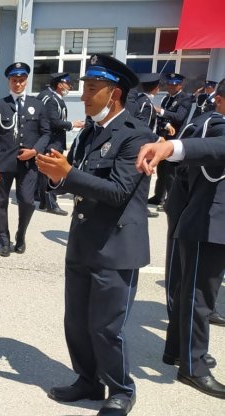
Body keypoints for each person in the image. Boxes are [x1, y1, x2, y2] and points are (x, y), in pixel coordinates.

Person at [37, 54, 155, 416]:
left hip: (116, 246)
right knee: (76, 321)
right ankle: (88, 380)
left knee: (106, 327)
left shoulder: (136, 137)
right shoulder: (90, 132)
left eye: (92, 89)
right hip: (84, 240)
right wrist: (55, 175)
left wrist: (68, 173)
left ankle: (121, 388)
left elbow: (119, 191)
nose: (84, 96)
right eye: (84, 89)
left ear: (114, 93)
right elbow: (72, 179)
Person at [137, 79, 225, 399]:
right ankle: (193, 365)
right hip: (208, 223)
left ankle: (178, 351)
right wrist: (169, 148)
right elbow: (214, 149)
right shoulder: (214, 124)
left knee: (189, 291)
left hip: (199, 218)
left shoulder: (202, 121)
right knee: (199, 298)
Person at [0, 62, 50, 256]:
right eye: (14, 80)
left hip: (28, 164)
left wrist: (35, 151)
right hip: (3, 163)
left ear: (26, 81)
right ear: (9, 82)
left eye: (21, 80)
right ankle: (4, 241)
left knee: (27, 201)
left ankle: (20, 235)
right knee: (0, 203)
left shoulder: (37, 105)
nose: (18, 84)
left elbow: (46, 134)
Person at [35, 72, 84, 216]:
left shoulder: (52, 97)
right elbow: (53, 122)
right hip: (52, 140)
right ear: (59, 84)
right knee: (51, 171)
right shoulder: (51, 99)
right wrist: (72, 124)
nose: (69, 86)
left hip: (52, 140)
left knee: (45, 171)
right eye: (67, 83)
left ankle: (43, 200)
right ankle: (51, 203)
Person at [149, 73, 193, 210]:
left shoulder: (185, 99)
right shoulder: (167, 98)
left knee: (170, 172)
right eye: (169, 84)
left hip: (176, 139)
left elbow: (179, 117)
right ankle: (159, 197)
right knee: (161, 169)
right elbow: (162, 118)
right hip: (164, 137)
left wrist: (160, 111)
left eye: (174, 85)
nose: (171, 87)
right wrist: (166, 124)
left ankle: (171, 200)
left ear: (180, 85)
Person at [127, 73, 164, 218]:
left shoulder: (140, 100)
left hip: (140, 143)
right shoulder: (147, 104)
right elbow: (144, 127)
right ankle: (141, 207)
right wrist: (157, 138)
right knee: (144, 178)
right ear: (155, 88)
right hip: (145, 145)